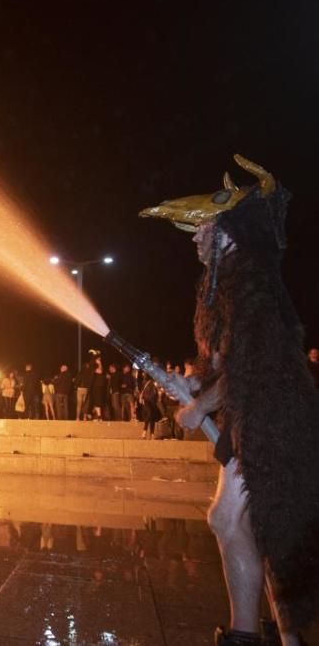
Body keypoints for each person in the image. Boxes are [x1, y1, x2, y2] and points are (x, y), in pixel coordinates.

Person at [141, 155, 319, 645]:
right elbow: (224, 364)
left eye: (204, 231)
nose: (196, 238)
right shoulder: (227, 288)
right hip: (255, 417)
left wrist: (199, 407)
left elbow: (252, 363)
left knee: (241, 520)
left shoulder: (252, 283)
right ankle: (279, 638)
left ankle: (248, 636)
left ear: (229, 237)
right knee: (257, 525)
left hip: (273, 421)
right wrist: (195, 386)